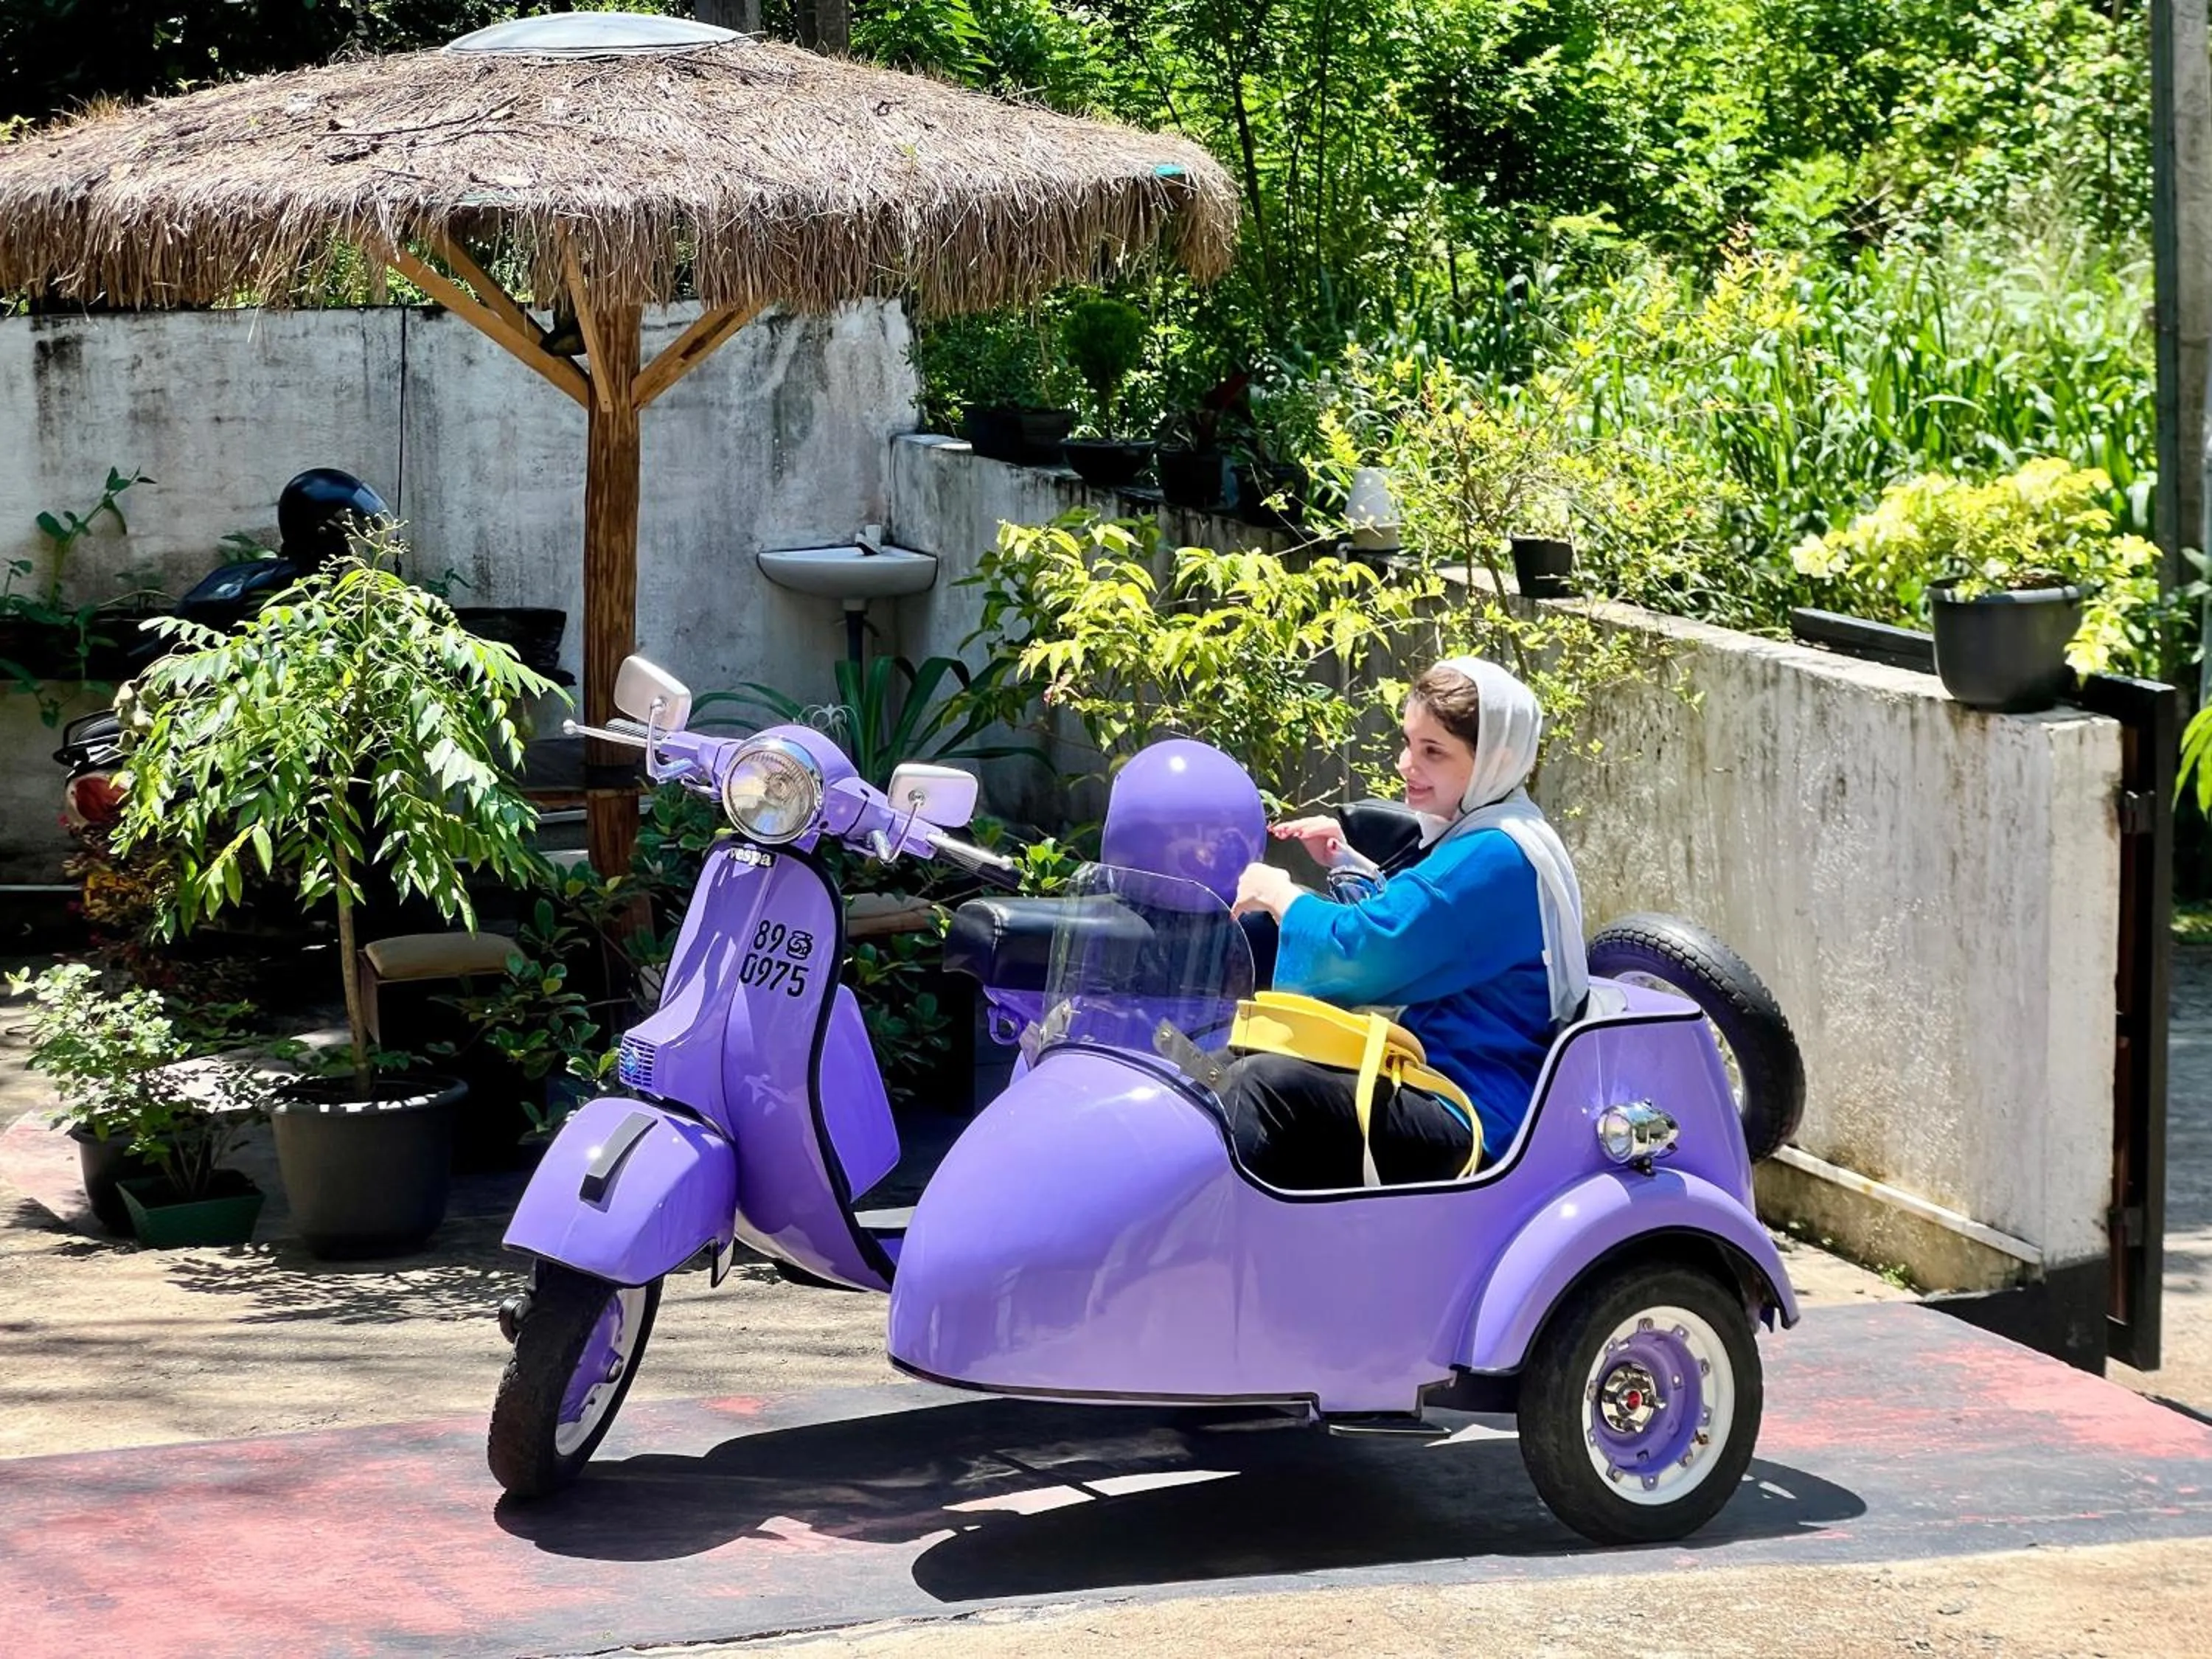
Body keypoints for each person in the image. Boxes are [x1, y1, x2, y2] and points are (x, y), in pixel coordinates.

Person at [1223, 656, 1587, 1189]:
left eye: (1432, 751)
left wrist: (1282, 896)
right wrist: (1346, 863)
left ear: (1498, 758)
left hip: (1468, 1105)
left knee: (1262, 1088)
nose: (1405, 764)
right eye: (1408, 743)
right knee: (1226, 1063)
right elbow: (1423, 926)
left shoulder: (1494, 854)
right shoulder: (1500, 829)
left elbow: (1368, 951)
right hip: (1428, 1072)